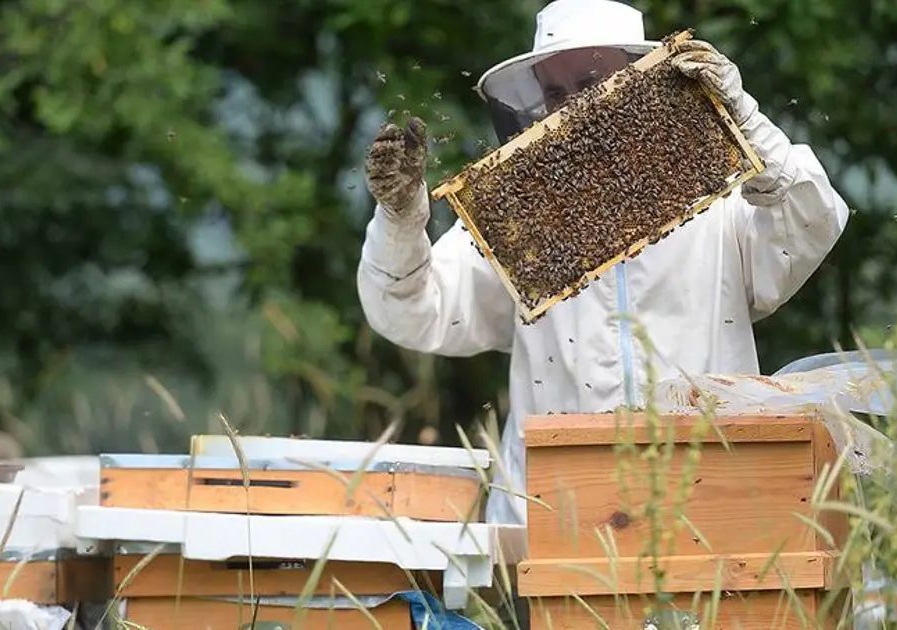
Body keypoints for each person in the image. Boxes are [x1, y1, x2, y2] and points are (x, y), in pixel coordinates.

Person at [357, 0, 848, 621]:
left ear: (640, 82)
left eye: (591, 83)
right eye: (557, 90)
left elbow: (810, 223)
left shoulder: (722, 201)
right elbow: (415, 309)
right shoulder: (517, 223)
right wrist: (401, 222)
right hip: (554, 535)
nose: (574, 106)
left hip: (709, 521)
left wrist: (745, 121)